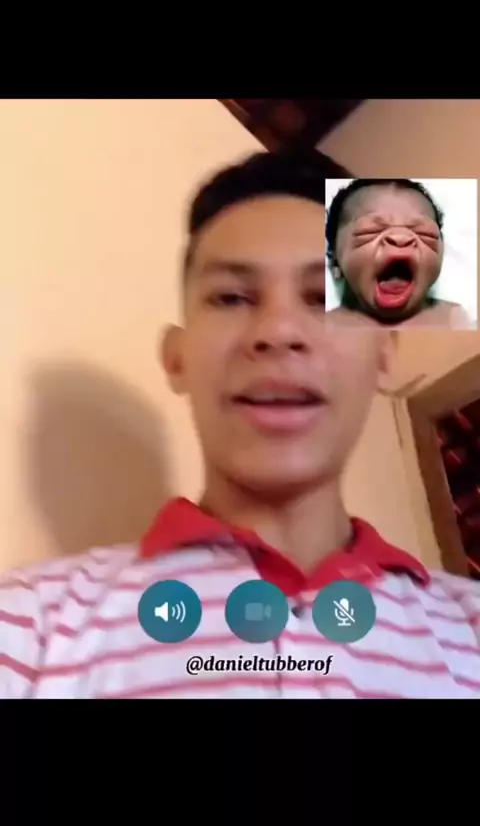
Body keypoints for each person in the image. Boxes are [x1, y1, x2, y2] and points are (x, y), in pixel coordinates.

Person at [1, 151, 480, 700]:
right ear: (176, 358)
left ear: (385, 353)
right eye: (231, 297)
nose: (278, 331)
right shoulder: (29, 628)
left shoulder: (469, 628)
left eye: (321, 298)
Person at [325, 177, 476, 329]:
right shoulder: (326, 324)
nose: (400, 238)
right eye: (369, 231)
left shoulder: (453, 317)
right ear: (334, 257)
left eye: (425, 234)